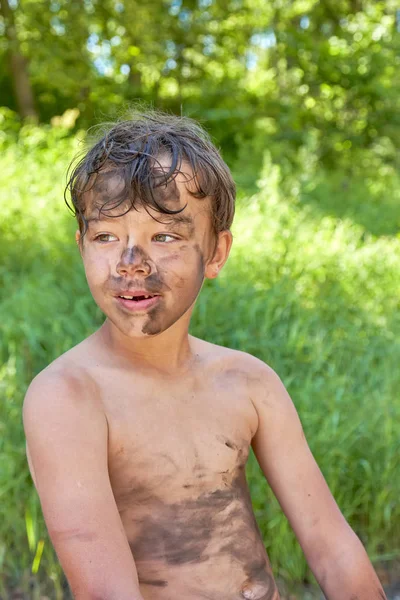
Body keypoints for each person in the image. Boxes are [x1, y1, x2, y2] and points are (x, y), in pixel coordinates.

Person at [23, 110, 386, 600]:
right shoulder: (68, 398)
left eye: (165, 236)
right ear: (82, 245)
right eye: (106, 236)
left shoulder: (248, 382)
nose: (131, 264)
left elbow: (332, 544)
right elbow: (106, 591)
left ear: (216, 252)